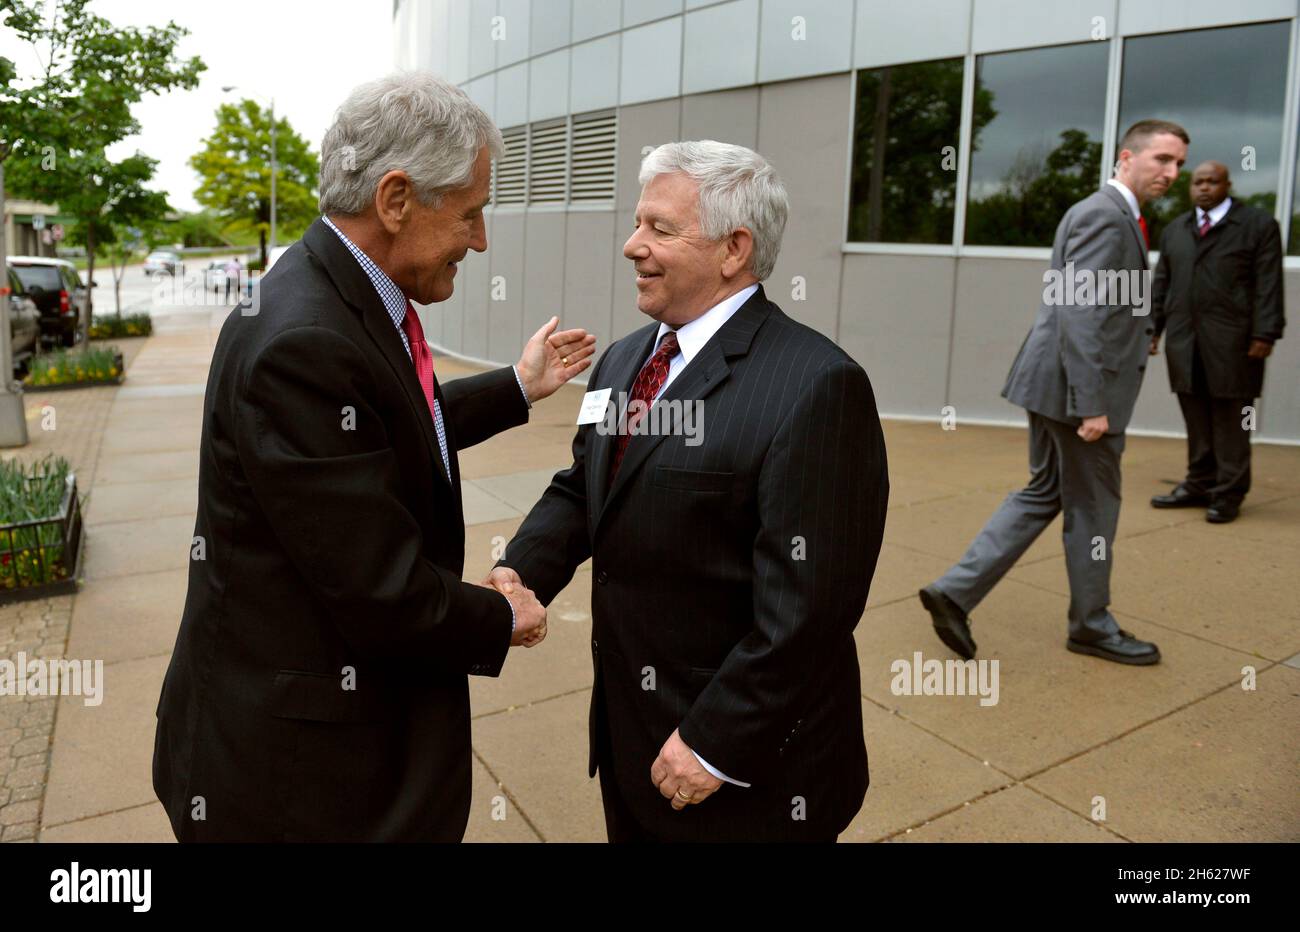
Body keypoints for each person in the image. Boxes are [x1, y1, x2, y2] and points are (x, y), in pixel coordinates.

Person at [152, 73, 596, 842]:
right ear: (396, 199)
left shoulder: (336, 296)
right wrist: (501, 616)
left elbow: (380, 429)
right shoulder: (306, 341)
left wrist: (518, 388)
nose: (481, 240)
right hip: (300, 783)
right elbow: (382, 590)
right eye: (470, 213)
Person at [486, 141, 889, 842]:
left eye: (658, 229)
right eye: (637, 223)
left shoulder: (817, 385)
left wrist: (715, 740)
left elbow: (811, 608)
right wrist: (521, 573)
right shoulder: (623, 360)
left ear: (734, 249)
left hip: (744, 772)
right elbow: (584, 489)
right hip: (630, 737)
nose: (631, 246)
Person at [918, 119, 1189, 667]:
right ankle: (1091, 625)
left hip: (1057, 383)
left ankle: (955, 591)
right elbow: (1079, 311)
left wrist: (1142, 331)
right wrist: (1093, 403)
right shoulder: (1105, 216)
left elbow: (1095, 300)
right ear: (1126, 156)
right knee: (1094, 509)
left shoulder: (1109, 214)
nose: (1172, 172)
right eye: (1162, 159)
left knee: (1045, 491)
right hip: (1077, 395)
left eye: (1179, 163)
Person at [1149, 161, 1285, 523]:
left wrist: (1265, 333)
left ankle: (1229, 492)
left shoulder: (1257, 226)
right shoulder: (1176, 229)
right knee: (1196, 418)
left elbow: (1269, 283)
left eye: (1212, 181)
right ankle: (1199, 484)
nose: (1204, 188)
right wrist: (1152, 329)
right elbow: (1162, 282)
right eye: (1198, 182)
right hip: (1185, 341)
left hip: (1236, 344)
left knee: (1234, 422)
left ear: (1228, 184)